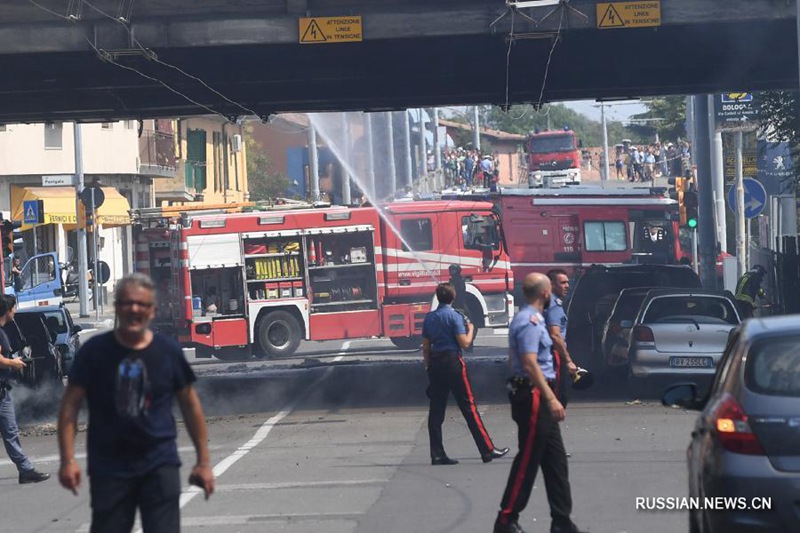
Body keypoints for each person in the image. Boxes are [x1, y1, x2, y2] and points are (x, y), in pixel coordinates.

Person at [57, 273, 214, 533]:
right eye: (127, 303)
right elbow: (70, 406)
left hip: (159, 465)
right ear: (117, 307)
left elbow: (190, 405)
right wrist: (67, 460)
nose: (134, 309)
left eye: (141, 304)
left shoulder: (168, 352)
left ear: (152, 311)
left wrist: (204, 462)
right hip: (109, 469)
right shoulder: (94, 352)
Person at [494, 273, 584, 533]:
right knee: (528, 459)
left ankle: (562, 521)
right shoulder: (531, 321)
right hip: (534, 395)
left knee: (556, 461)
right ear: (545, 293)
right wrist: (551, 397)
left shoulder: (529, 319)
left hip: (536, 393)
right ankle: (506, 519)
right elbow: (529, 363)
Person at [422, 282, 508, 465]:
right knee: (469, 407)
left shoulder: (429, 318)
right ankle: (487, 449)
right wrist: (470, 329)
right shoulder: (455, 317)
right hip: (453, 362)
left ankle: (437, 453)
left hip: (436, 363)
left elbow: (426, 347)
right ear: (452, 297)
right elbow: (464, 343)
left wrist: (429, 367)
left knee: (436, 411)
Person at [0, 296, 50, 484]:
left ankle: (25, 470)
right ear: (8, 310)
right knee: (10, 431)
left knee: (11, 431)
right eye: (14, 308)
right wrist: (12, 363)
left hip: (3, 392)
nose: (15, 312)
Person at [544, 269, 578, 403]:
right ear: (551, 284)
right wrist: (568, 360)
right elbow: (555, 335)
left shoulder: (542, 301)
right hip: (551, 355)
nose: (567, 286)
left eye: (567, 282)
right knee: (556, 396)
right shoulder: (553, 305)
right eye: (563, 283)